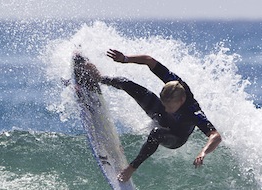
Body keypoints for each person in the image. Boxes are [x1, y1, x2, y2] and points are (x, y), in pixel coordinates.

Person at [86, 49, 222, 182]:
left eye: (170, 107)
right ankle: (97, 78)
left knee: (156, 133)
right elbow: (149, 60)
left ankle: (131, 169)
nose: (167, 109)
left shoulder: (193, 113)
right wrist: (125, 59)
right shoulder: (174, 83)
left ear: (181, 101)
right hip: (161, 117)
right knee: (125, 83)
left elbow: (215, 136)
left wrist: (203, 152)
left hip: (175, 136)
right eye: (165, 105)